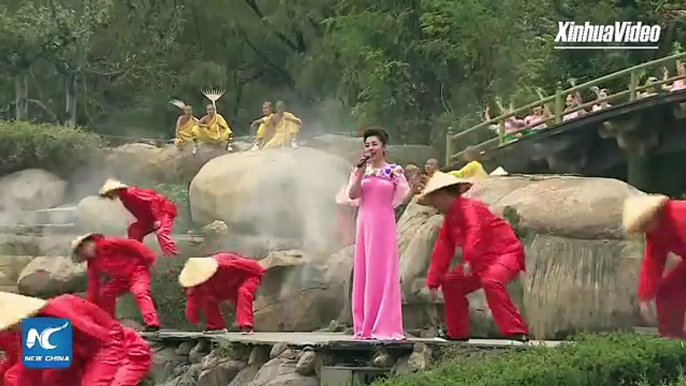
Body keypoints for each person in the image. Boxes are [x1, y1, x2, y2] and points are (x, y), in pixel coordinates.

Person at [417, 172, 529, 342]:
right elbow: (442, 249)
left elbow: (474, 229)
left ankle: (515, 330)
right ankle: (457, 332)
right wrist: (433, 281)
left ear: (443, 195)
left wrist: (469, 258)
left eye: (434, 199)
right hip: (480, 261)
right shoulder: (449, 219)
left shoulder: (470, 208)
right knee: (450, 282)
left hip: (506, 253)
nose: (433, 205)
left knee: (491, 281)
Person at [0, 292, 151, 386]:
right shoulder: (30, 327)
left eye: (9, 327)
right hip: (85, 356)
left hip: (125, 351)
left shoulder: (60, 310)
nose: (9, 331)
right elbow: (31, 370)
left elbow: (110, 341)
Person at [345, 127, 410, 340]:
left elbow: (405, 195)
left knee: (382, 269)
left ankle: (385, 322)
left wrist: (416, 184)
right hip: (364, 222)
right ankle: (364, 324)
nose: (370, 148)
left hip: (384, 222)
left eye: (374, 144)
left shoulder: (394, 171)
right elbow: (353, 194)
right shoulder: (360, 171)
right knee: (364, 269)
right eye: (367, 145)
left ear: (384, 147)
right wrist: (359, 172)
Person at [622, 194, 686, 339]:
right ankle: (671, 336)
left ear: (651, 216)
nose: (643, 231)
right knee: (668, 289)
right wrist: (645, 296)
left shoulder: (680, 216)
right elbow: (653, 263)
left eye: (643, 226)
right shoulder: (657, 230)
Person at [71, 233, 160, 332]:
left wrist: (148, 258)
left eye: (82, 248)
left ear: (88, 243)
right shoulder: (93, 263)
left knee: (139, 291)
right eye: (81, 252)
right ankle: (109, 323)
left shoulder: (108, 243)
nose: (84, 252)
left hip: (136, 271)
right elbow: (93, 285)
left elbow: (133, 244)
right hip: (120, 279)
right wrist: (90, 306)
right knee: (105, 293)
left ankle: (152, 324)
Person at [179, 253, 265, 334]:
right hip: (225, 286)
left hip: (246, 279)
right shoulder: (197, 282)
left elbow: (256, 268)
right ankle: (216, 326)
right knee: (208, 298)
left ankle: (246, 325)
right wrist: (193, 318)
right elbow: (192, 299)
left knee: (243, 291)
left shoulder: (225, 264)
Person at [100, 179, 178, 256]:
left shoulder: (132, 193)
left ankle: (172, 254)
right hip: (149, 217)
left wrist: (157, 219)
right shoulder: (124, 198)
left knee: (161, 232)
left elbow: (154, 200)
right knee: (134, 230)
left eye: (110, 192)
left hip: (163, 211)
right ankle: (136, 252)